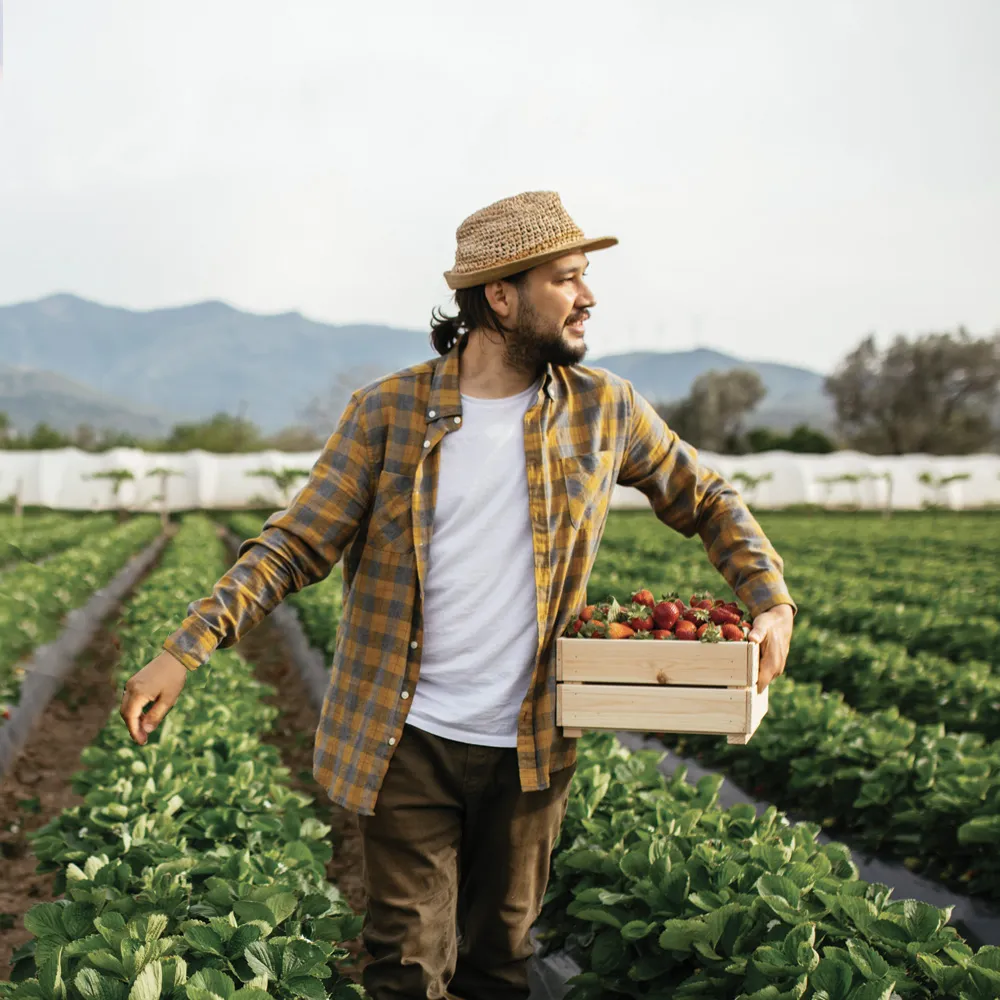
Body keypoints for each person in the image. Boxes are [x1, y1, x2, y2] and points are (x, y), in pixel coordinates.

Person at [120, 190, 795, 1000]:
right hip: (406, 738)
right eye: (566, 279)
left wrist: (770, 598)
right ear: (501, 297)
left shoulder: (601, 409)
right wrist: (183, 648)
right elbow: (296, 543)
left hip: (532, 747)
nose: (588, 296)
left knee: (500, 962)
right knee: (404, 968)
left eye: (584, 278)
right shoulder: (386, 413)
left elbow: (707, 496)